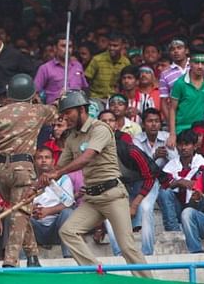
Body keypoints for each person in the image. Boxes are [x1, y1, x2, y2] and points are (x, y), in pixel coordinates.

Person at [37, 90, 151, 278]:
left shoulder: (100, 128)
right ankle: (99, 275)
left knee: (127, 246)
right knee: (68, 231)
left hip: (112, 194)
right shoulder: (72, 137)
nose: (65, 118)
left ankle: (147, 283)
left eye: (69, 113)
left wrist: (57, 172)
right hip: (92, 198)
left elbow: (86, 158)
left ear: (82, 110)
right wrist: (36, 184)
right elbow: (57, 168)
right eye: (63, 114)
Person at [0, 73, 57, 268]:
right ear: (31, 94)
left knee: (21, 211)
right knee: (20, 213)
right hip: (22, 169)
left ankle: (33, 256)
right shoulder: (38, 111)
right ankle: (10, 261)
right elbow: (57, 111)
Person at [98, 110, 161, 256]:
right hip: (122, 186)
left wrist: (134, 204)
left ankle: (147, 254)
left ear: (116, 125)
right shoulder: (94, 149)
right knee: (109, 212)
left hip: (146, 181)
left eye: (111, 120)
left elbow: (150, 176)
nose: (107, 124)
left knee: (145, 208)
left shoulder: (127, 147)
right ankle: (119, 255)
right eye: (103, 121)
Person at [158, 129, 204, 232]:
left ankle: (196, 225)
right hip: (178, 207)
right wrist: (179, 182)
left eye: (187, 144)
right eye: (180, 145)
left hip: (197, 208)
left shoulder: (203, 164)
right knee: (164, 192)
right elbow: (164, 185)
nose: (183, 148)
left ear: (195, 146)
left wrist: (191, 185)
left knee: (199, 193)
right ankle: (173, 230)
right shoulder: (171, 165)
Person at [168, 50, 204, 147]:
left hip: (201, 130)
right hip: (180, 129)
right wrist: (172, 134)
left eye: (203, 63)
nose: (200, 66)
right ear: (190, 63)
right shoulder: (180, 83)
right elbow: (172, 109)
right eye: (196, 62)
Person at [31, 146, 74, 258]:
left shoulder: (63, 179)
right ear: (34, 161)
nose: (44, 160)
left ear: (53, 161)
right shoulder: (29, 180)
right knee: (20, 216)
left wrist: (48, 211)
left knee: (68, 212)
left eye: (47, 157)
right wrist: (30, 209)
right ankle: (21, 260)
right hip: (35, 227)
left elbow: (69, 203)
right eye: (39, 158)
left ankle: (68, 257)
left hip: (57, 228)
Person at [34, 33, 89, 104]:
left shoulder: (78, 66)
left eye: (70, 46)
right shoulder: (45, 68)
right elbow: (35, 92)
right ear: (55, 48)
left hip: (77, 106)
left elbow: (85, 88)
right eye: (63, 46)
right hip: (55, 108)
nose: (67, 49)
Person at [84, 32, 130, 101]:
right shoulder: (97, 59)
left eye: (115, 46)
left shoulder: (126, 62)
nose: (111, 48)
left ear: (122, 46)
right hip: (96, 98)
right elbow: (86, 80)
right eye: (110, 45)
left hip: (115, 99)